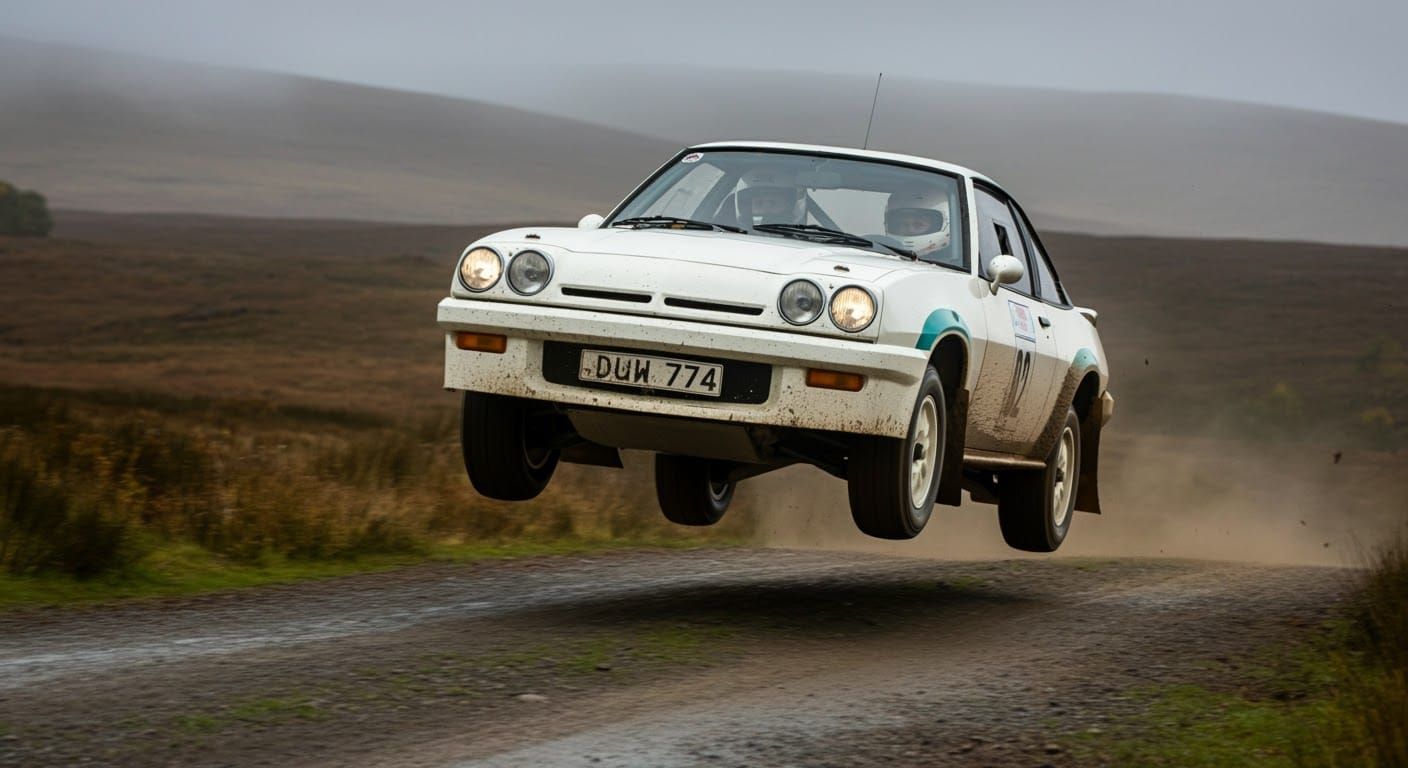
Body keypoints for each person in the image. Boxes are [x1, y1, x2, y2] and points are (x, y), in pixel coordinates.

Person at [884, 185, 952, 260]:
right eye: (902, 224)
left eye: (918, 225)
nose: (910, 230)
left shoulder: (950, 264)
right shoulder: (882, 255)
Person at [735, 166, 805, 227]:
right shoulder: (736, 234)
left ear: (789, 205)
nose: (766, 209)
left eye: (773, 203)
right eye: (759, 203)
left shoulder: (800, 235)